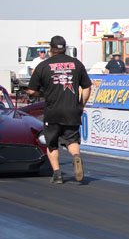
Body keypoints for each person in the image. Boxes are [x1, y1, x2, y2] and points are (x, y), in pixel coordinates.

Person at [26, 35, 92, 184]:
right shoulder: (77, 64)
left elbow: (31, 91)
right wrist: (81, 105)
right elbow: (87, 87)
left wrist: (42, 94)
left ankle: (57, 174)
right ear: (65, 48)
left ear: (50, 49)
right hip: (72, 110)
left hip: (52, 111)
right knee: (72, 139)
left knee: (52, 143)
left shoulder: (43, 66)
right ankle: (76, 156)